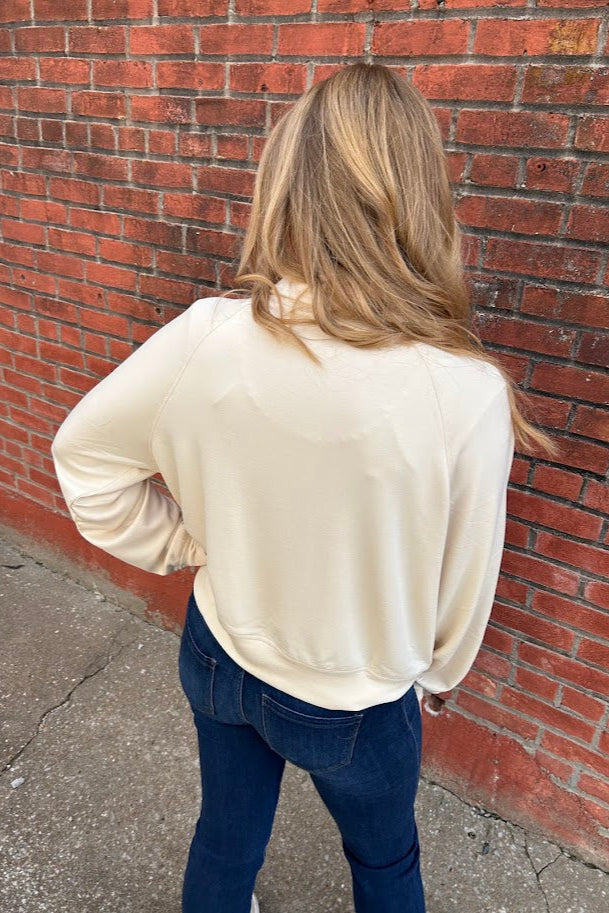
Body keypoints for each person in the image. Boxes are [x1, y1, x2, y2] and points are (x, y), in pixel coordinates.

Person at [51, 62, 558, 913]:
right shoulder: (461, 392)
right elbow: (463, 584)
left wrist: (184, 546)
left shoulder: (206, 338)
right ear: (420, 193)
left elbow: (84, 459)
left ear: (285, 182)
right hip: (354, 695)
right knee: (386, 864)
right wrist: (437, 672)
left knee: (225, 837)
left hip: (220, 652)